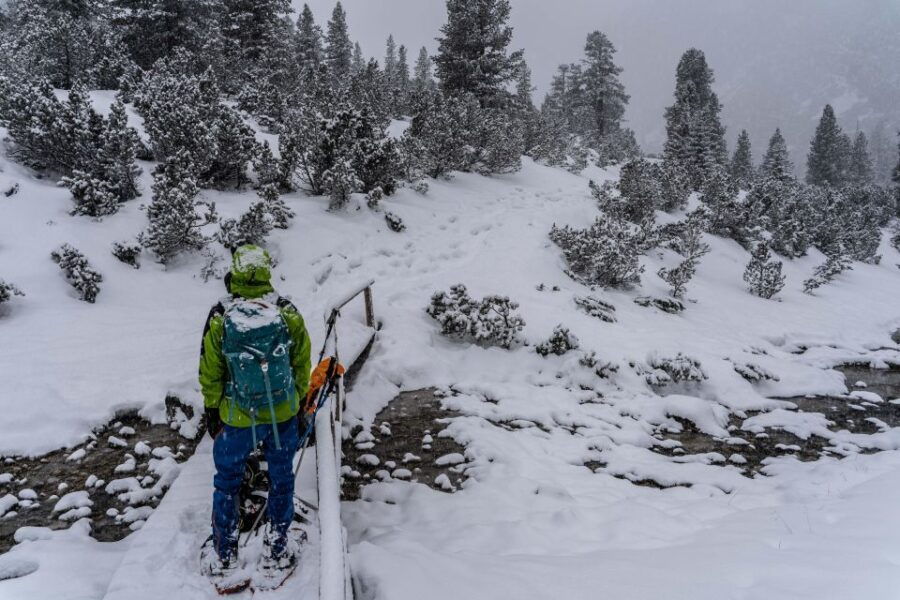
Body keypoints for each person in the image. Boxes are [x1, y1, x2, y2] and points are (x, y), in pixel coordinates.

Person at [198, 245, 311, 583]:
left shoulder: (221, 316)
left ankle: (225, 555)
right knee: (282, 479)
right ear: (266, 271)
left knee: (227, 483)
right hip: (281, 416)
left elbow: (211, 372)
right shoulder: (287, 313)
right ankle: (276, 550)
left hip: (237, 418)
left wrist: (212, 410)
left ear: (234, 272)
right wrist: (298, 402)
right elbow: (302, 364)